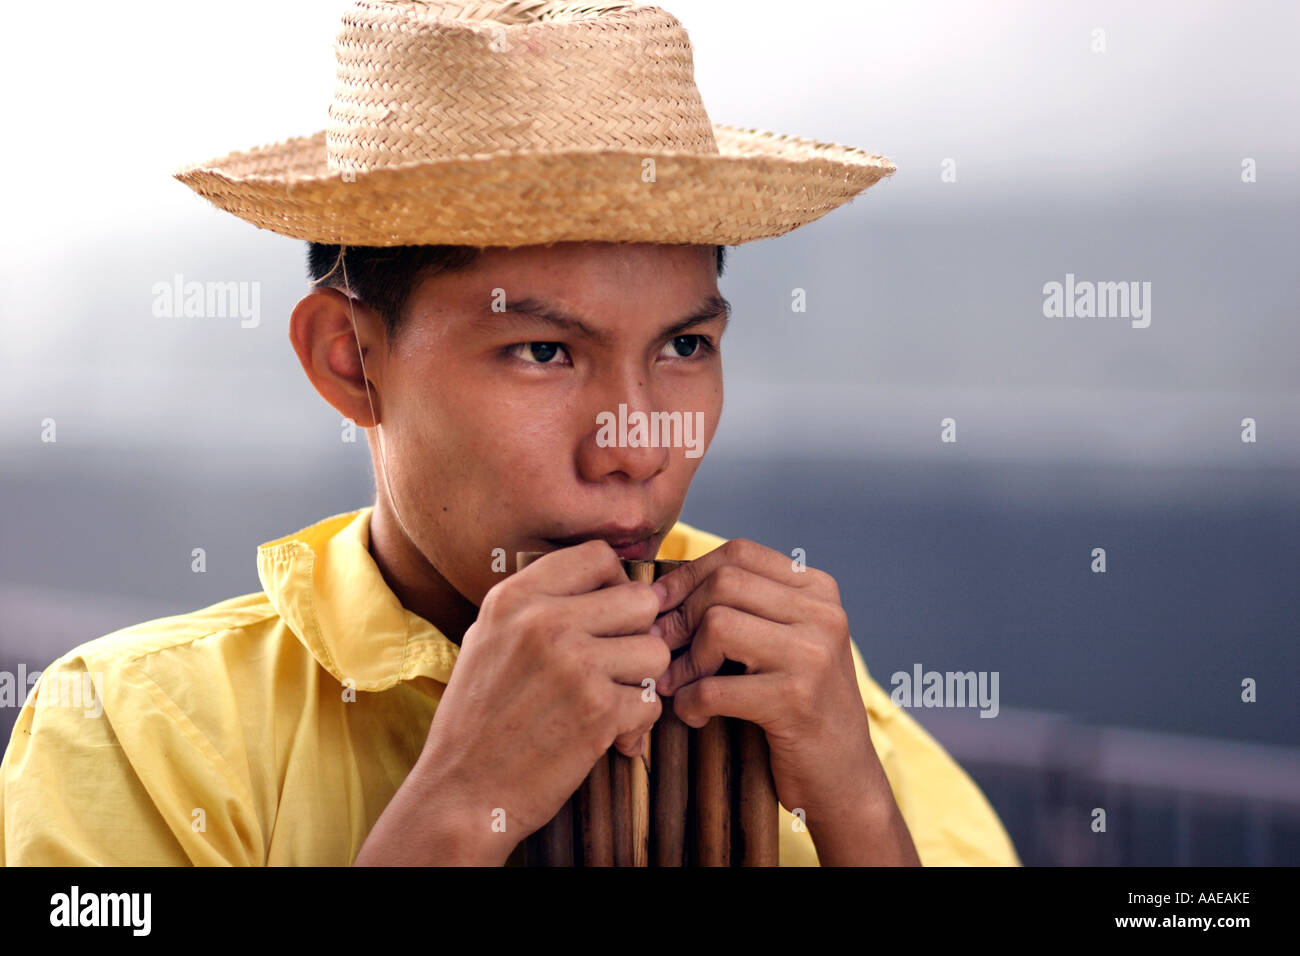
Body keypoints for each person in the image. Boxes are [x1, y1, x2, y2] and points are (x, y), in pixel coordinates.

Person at [0, 0, 1019, 866]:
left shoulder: (802, 695)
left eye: (683, 347)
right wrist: (454, 805)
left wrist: (859, 811)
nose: (634, 443)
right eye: (543, 352)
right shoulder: (140, 730)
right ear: (349, 360)